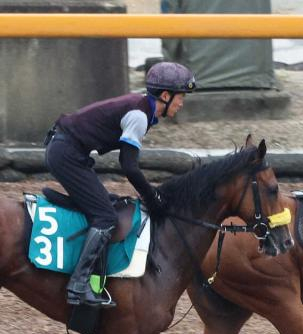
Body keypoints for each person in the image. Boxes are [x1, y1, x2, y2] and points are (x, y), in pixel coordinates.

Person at [44, 62, 196, 307]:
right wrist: (152, 197)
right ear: (165, 96)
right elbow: (129, 165)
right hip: (66, 153)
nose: (182, 103)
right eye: (181, 97)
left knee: (108, 204)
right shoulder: (138, 115)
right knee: (106, 218)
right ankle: (78, 286)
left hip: (68, 150)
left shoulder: (141, 109)